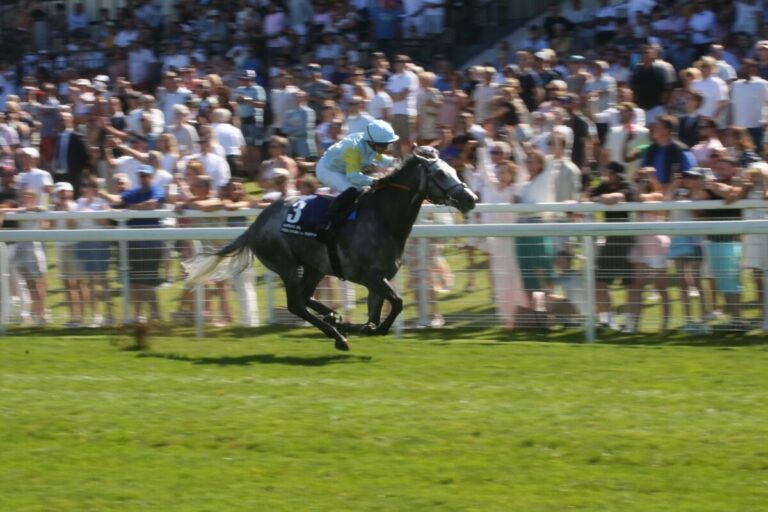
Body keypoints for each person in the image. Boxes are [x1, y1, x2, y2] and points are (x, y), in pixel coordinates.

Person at [315, 119, 398, 238]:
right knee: (352, 190)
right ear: (372, 142)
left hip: (343, 169)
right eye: (384, 145)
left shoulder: (370, 145)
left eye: (388, 144)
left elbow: (381, 160)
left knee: (364, 191)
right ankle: (326, 224)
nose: (386, 148)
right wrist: (375, 181)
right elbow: (353, 176)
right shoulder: (354, 149)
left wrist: (400, 161)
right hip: (327, 170)